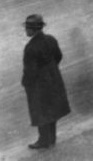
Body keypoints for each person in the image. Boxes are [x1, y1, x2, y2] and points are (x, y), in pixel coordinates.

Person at [21, 14, 71, 150]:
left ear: (33, 29)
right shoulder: (51, 39)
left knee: (40, 111)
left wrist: (26, 83)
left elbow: (30, 72)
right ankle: (52, 138)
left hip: (39, 84)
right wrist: (51, 70)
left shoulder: (30, 48)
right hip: (53, 79)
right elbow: (58, 56)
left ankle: (43, 140)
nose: (26, 30)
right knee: (52, 110)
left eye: (27, 28)